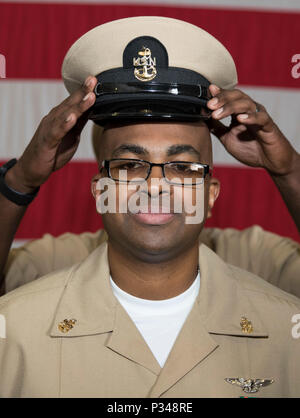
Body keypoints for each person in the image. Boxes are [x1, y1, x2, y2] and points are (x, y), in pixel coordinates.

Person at [0, 16, 299, 398]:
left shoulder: (283, 318)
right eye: (128, 166)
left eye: (183, 167)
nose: (155, 185)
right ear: (98, 189)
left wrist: (289, 167)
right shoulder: (17, 323)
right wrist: (21, 178)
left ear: (211, 193)